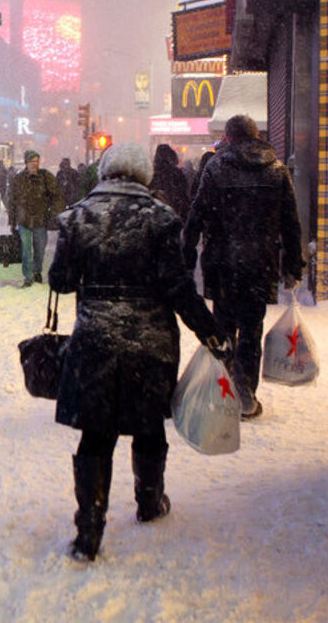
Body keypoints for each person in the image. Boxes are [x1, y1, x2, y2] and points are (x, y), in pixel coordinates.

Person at [48, 141, 231, 562]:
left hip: (94, 339)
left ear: (104, 172)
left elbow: (60, 281)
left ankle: (89, 528)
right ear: (144, 176)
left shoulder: (77, 217)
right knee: (149, 427)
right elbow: (179, 289)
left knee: (95, 435)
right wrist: (211, 332)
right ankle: (149, 501)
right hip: (149, 343)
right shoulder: (161, 219)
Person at [182, 114, 304, 420]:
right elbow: (291, 223)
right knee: (252, 328)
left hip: (223, 262)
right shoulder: (277, 171)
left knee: (223, 328)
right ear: (256, 135)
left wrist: (186, 256)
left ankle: (223, 389)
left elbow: (195, 215)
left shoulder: (216, 168)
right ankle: (246, 393)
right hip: (259, 263)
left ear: (229, 138)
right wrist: (292, 264)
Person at [7, 149, 64, 287]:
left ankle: (37, 271)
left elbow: (57, 196)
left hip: (40, 219)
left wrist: (54, 214)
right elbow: (12, 200)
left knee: (40, 249)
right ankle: (28, 277)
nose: (35, 164)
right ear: (26, 163)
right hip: (23, 220)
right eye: (32, 162)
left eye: (37, 161)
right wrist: (12, 220)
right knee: (26, 250)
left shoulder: (46, 177)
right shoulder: (18, 179)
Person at [149, 144, 191, 221]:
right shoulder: (177, 173)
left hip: (156, 213)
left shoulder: (152, 174)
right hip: (174, 212)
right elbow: (183, 194)